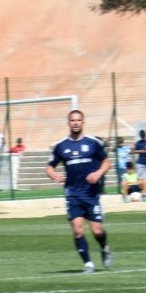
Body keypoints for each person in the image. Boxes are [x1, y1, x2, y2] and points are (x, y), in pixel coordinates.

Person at [45, 110, 112, 273]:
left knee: (97, 230)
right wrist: (53, 175)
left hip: (91, 194)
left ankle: (104, 247)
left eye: (78, 120)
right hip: (73, 194)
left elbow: (106, 162)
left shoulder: (93, 143)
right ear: (68, 123)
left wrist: (98, 173)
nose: (75, 123)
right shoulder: (61, 146)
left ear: (83, 122)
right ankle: (88, 263)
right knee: (77, 229)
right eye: (73, 120)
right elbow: (49, 167)